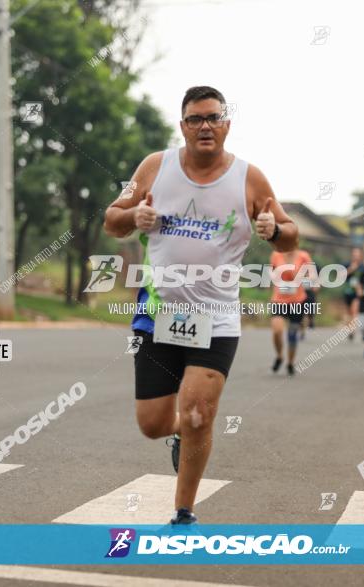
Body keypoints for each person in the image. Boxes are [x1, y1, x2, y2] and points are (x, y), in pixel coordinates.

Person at [103, 86, 299, 525]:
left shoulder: (250, 178)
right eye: (195, 119)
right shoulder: (155, 167)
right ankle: (179, 434)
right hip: (158, 315)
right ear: (182, 127)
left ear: (227, 126)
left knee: (197, 414)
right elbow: (111, 219)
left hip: (217, 318)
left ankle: (183, 511)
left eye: (213, 118)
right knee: (154, 424)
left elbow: (291, 233)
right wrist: (133, 217)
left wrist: (271, 228)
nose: (205, 126)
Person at [270, 248, 313, 375]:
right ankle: (279, 356)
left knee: (292, 334)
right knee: (277, 330)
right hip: (279, 300)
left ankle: (290, 362)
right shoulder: (276, 254)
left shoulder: (303, 256)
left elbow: (311, 275)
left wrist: (301, 277)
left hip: (297, 301)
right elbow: (271, 271)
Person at [343, 247, 363, 341]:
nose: (356, 257)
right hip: (347, 291)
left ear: (360, 256)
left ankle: (352, 331)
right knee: (348, 312)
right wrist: (351, 269)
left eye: (358, 255)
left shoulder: (363, 267)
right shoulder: (346, 265)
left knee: (354, 310)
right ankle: (349, 329)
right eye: (354, 255)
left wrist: (360, 289)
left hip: (357, 293)